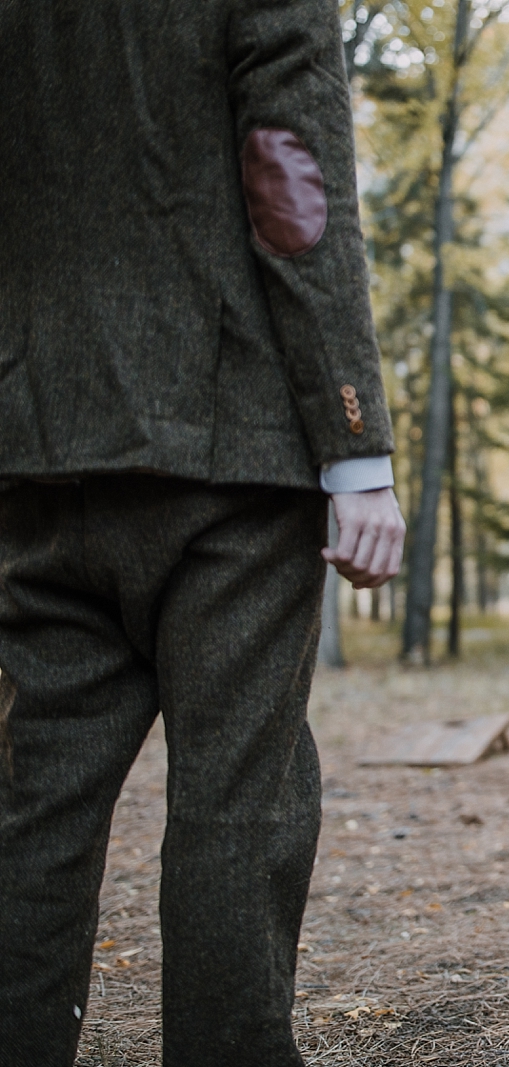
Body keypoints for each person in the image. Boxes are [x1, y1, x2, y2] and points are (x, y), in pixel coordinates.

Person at [0, 3, 406, 1065]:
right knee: (238, 809)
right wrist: (354, 442)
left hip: (39, 443)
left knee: (28, 825)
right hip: (232, 456)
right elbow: (294, 181)